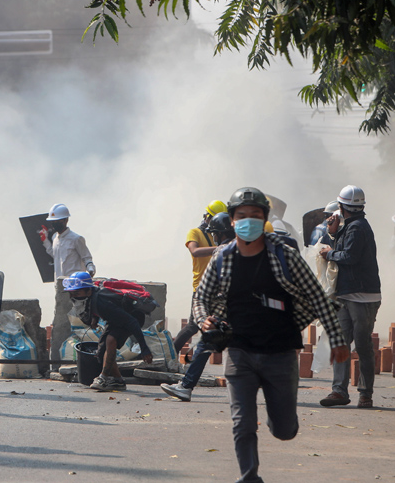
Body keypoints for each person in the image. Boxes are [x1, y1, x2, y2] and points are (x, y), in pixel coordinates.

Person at [193, 187, 348, 483]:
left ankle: (279, 419)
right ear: (232, 220)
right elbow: (201, 298)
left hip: (280, 353)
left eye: (255, 216)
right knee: (242, 423)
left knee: (284, 429)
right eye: (242, 216)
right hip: (239, 352)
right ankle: (249, 476)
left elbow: (317, 297)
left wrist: (338, 339)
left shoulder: (284, 256)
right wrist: (204, 320)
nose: (248, 221)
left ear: (264, 218)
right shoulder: (223, 258)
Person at [318, 185, 382, 409]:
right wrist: (334, 233)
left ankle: (365, 394)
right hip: (347, 295)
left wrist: (329, 253)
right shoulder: (350, 227)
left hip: (362, 297)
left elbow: (350, 257)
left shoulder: (356, 228)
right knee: (341, 342)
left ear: (343, 208)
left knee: (362, 346)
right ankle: (339, 391)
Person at [161, 211, 234, 401]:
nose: (214, 237)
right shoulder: (251, 249)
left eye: (215, 234)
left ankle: (185, 386)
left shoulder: (221, 252)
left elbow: (207, 290)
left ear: (221, 233)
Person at [63, 272, 153, 392]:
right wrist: (95, 318)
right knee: (101, 352)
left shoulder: (102, 302)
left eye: (77, 293)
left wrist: (144, 348)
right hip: (116, 318)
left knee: (111, 339)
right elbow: (94, 309)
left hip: (133, 318)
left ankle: (103, 378)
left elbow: (132, 322)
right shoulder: (91, 297)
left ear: (88, 291)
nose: (73, 297)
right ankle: (118, 381)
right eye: (71, 293)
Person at [39, 203, 96, 366]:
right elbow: (54, 254)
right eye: (52, 221)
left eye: (56, 221)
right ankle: (67, 353)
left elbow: (86, 257)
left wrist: (91, 268)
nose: (53, 224)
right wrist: (45, 242)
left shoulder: (76, 239)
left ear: (65, 220)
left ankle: (81, 352)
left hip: (76, 287)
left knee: (78, 319)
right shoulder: (56, 239)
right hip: (61, 286)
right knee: (63, 318)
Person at [172, 200, 227, 355]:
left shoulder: (218, 235)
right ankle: (171, 355)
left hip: (218, 287)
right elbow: (194, 251)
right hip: (202, 287)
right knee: (193, 325)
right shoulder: (195, 233)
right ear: (207, 217)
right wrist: (220, 248)